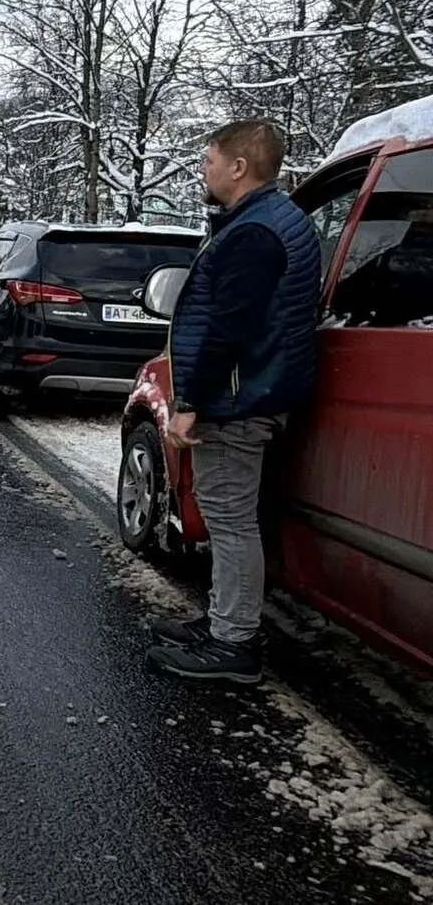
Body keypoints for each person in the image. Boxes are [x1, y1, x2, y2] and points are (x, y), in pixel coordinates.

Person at [146, 120, 322, 685]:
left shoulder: (255, 234)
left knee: (229, 520)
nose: (205, 171)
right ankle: (225, 621)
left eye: (208, 162)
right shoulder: (269, 221)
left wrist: (191, 400)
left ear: (239, 167)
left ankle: (232, 644)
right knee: (232, 518)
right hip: (256, 390)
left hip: (240, 398)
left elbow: (229, 327)